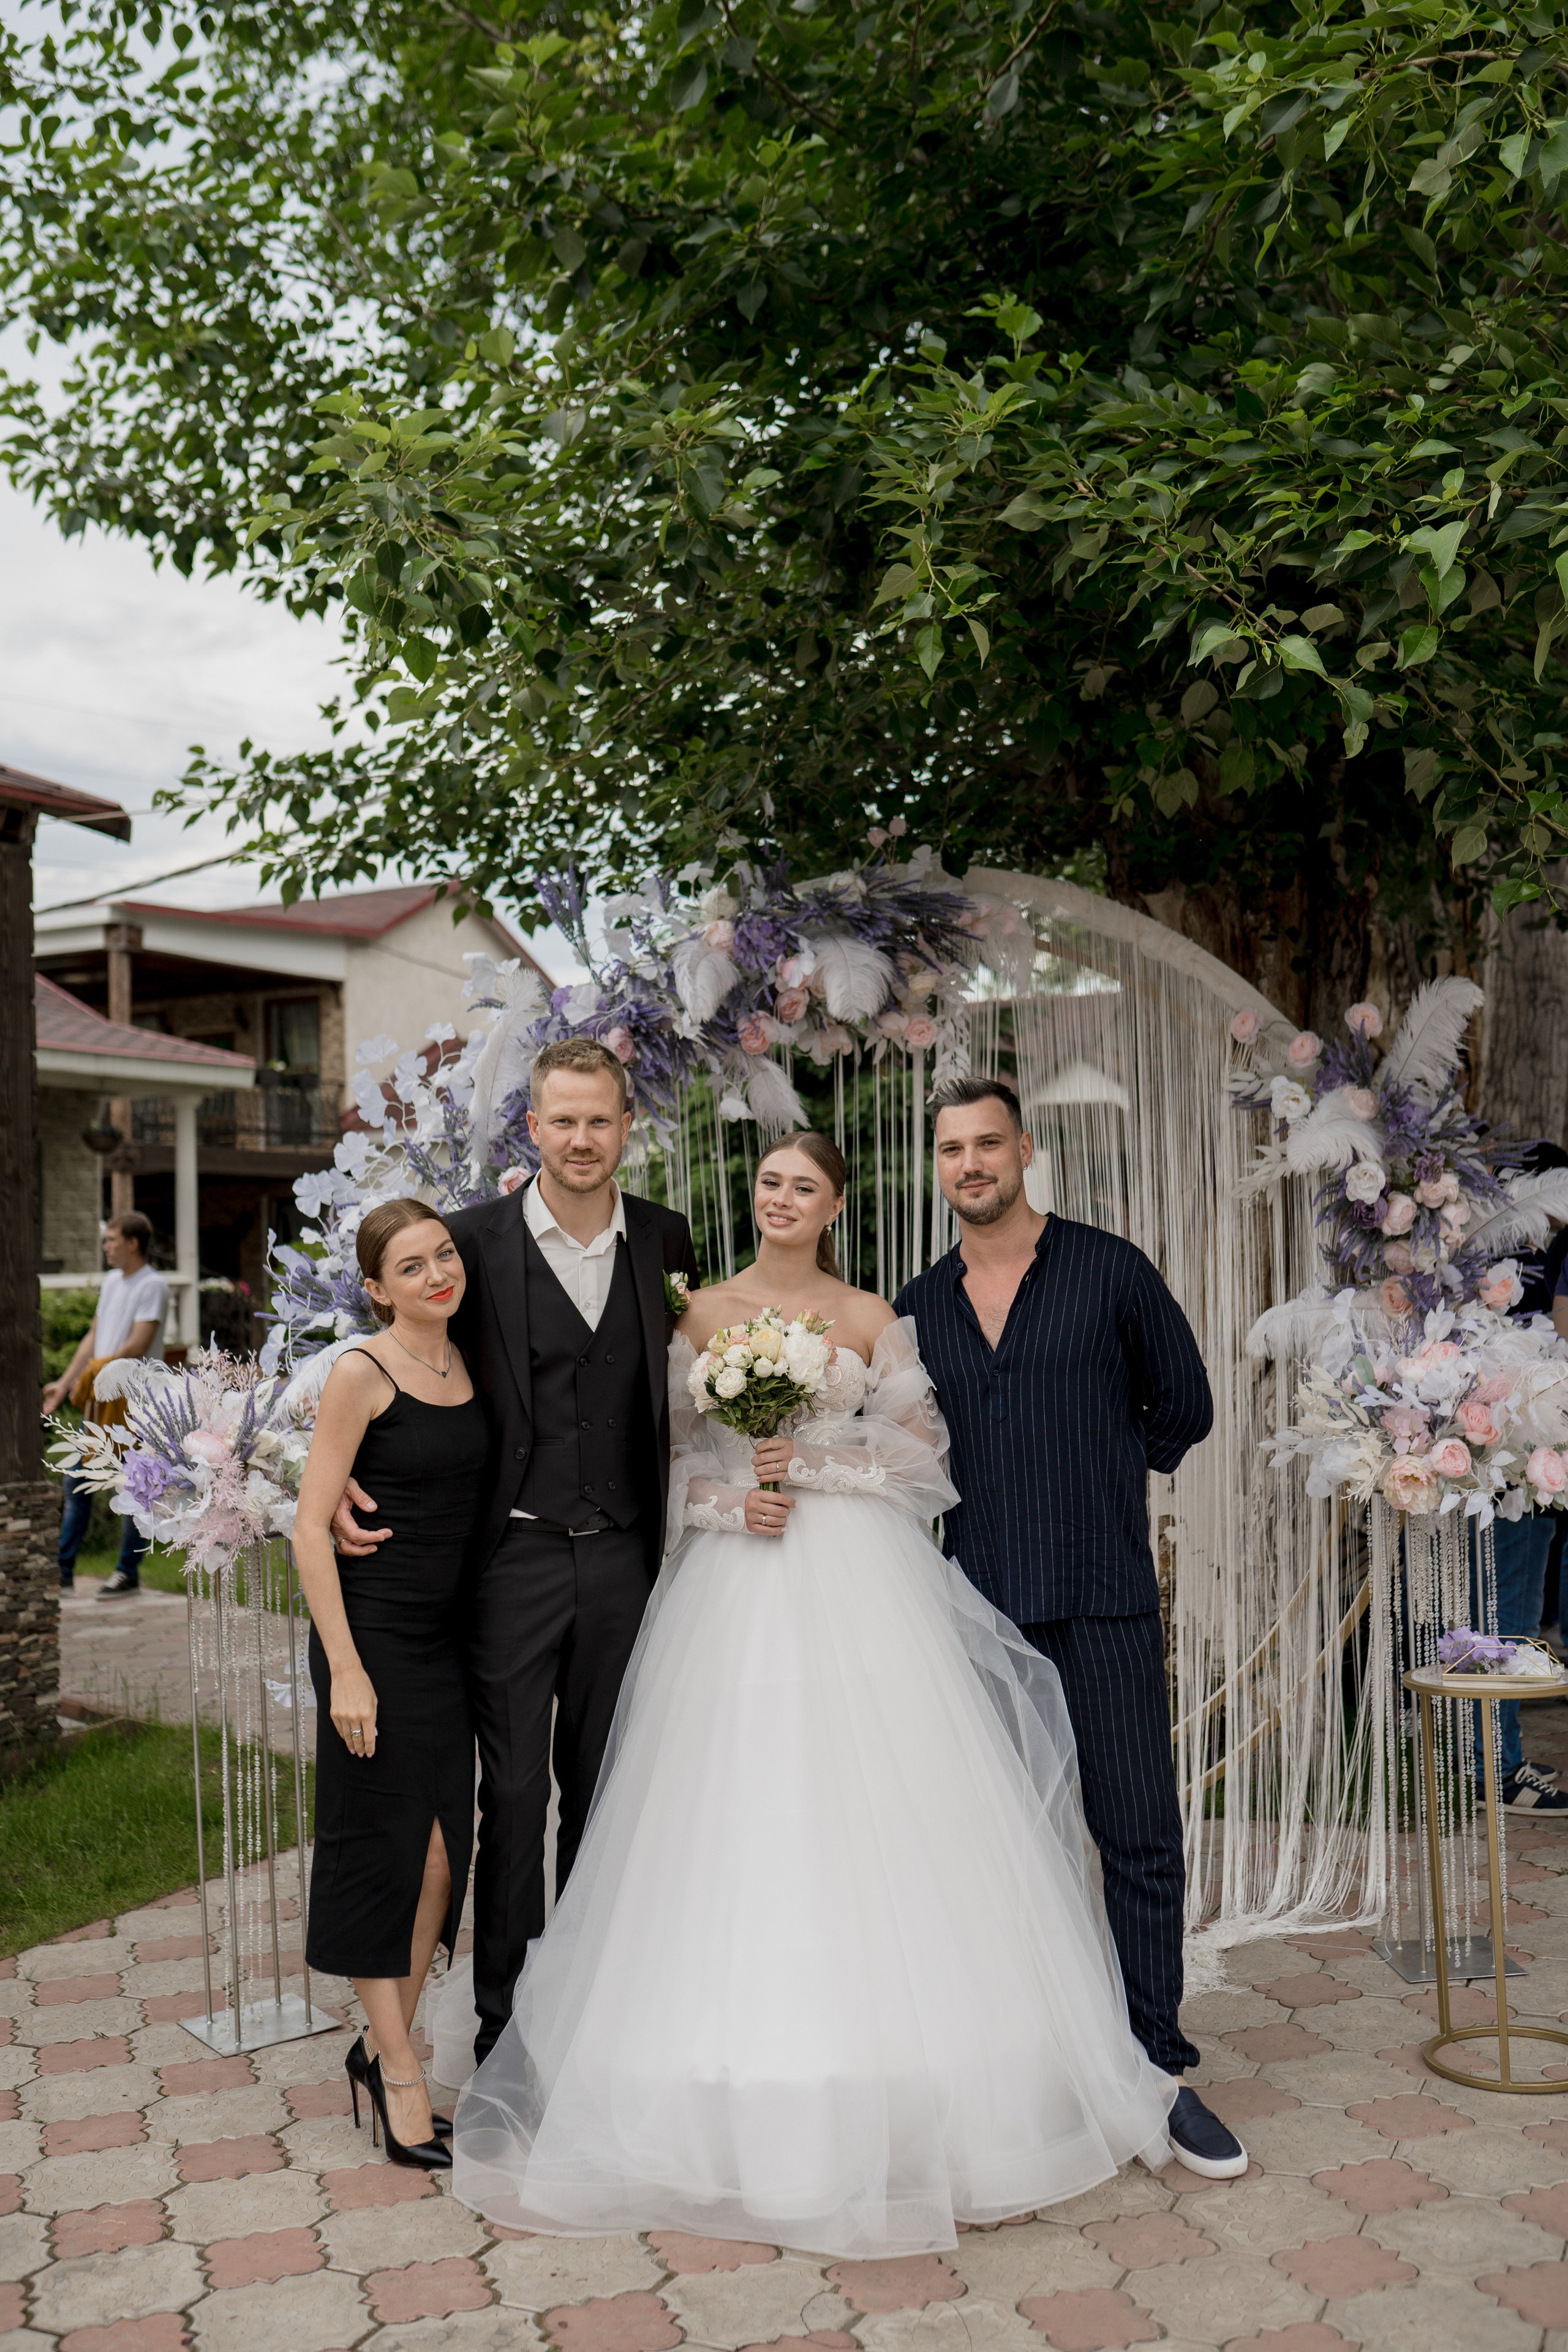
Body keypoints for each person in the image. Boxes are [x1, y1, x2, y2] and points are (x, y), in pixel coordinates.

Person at [449, 1131, 1177, 2256]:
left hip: (856, 1578)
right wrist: (728, 1503)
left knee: (878, 1798)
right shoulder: (696, 1311)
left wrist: (816, 1467)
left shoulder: (871, 1314)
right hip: (734, 1583)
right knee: (736, 1805)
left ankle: (958, 2072)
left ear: (834, 1206)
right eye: (771, 1184)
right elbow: (669, 1463)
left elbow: (927, 1458)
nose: (783, 1199)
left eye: (805, 1187)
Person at [895, 1077, 1244, 2183]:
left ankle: (1157, 2066)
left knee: (1135, 1835)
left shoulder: (1109, 1270)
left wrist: (1099, 1471)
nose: (970, 1165)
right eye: (952, 1149)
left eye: (987, 1144)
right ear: (938, 1166)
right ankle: (1039, 2063)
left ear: (1026, 1150)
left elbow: (1184, 1405)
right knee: (1004, 1849)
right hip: (979, 1612)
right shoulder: (919, 1302)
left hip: (1101, 1593)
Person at [331, 1036, 700, 2070]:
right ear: (531, 1128)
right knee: (515, 1796)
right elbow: (376, 1347)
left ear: (628, 1127)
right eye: (562, 1121)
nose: (581, 1139)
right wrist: (338, 1468)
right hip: (510, 1563)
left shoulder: (666, 1239)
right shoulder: (467, 1241)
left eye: (599, 1120)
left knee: (602, 1791)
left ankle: (587, 2007)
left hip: (623, 1559)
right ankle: (504, 2026)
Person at [293, 1197, 489, 2169]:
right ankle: (401, 2076)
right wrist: (346, 1671)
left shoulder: (470, 1359)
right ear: (375, 1289)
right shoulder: (359, 1373)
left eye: (443, 1254)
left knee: (444, 1855)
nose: (437, 1274)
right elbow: (308, 1527)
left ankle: (382, 2050)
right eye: (411, 1267)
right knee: (385, 1854)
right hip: (371, 1640)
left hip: (446, 1642)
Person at [41, 1211, 168, 1597]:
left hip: (136, 1406)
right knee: (77, 1483)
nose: (106, 1247)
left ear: (133, 1243)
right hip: (101, 1401)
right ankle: (62, 1571)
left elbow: (137, 1346)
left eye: (112, 1240)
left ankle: (127, 1571)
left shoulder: (153, 1285)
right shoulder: (113, 1281)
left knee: (132, 1487)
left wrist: (96, 1372)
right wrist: (65, 1384)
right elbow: (94, 1336)